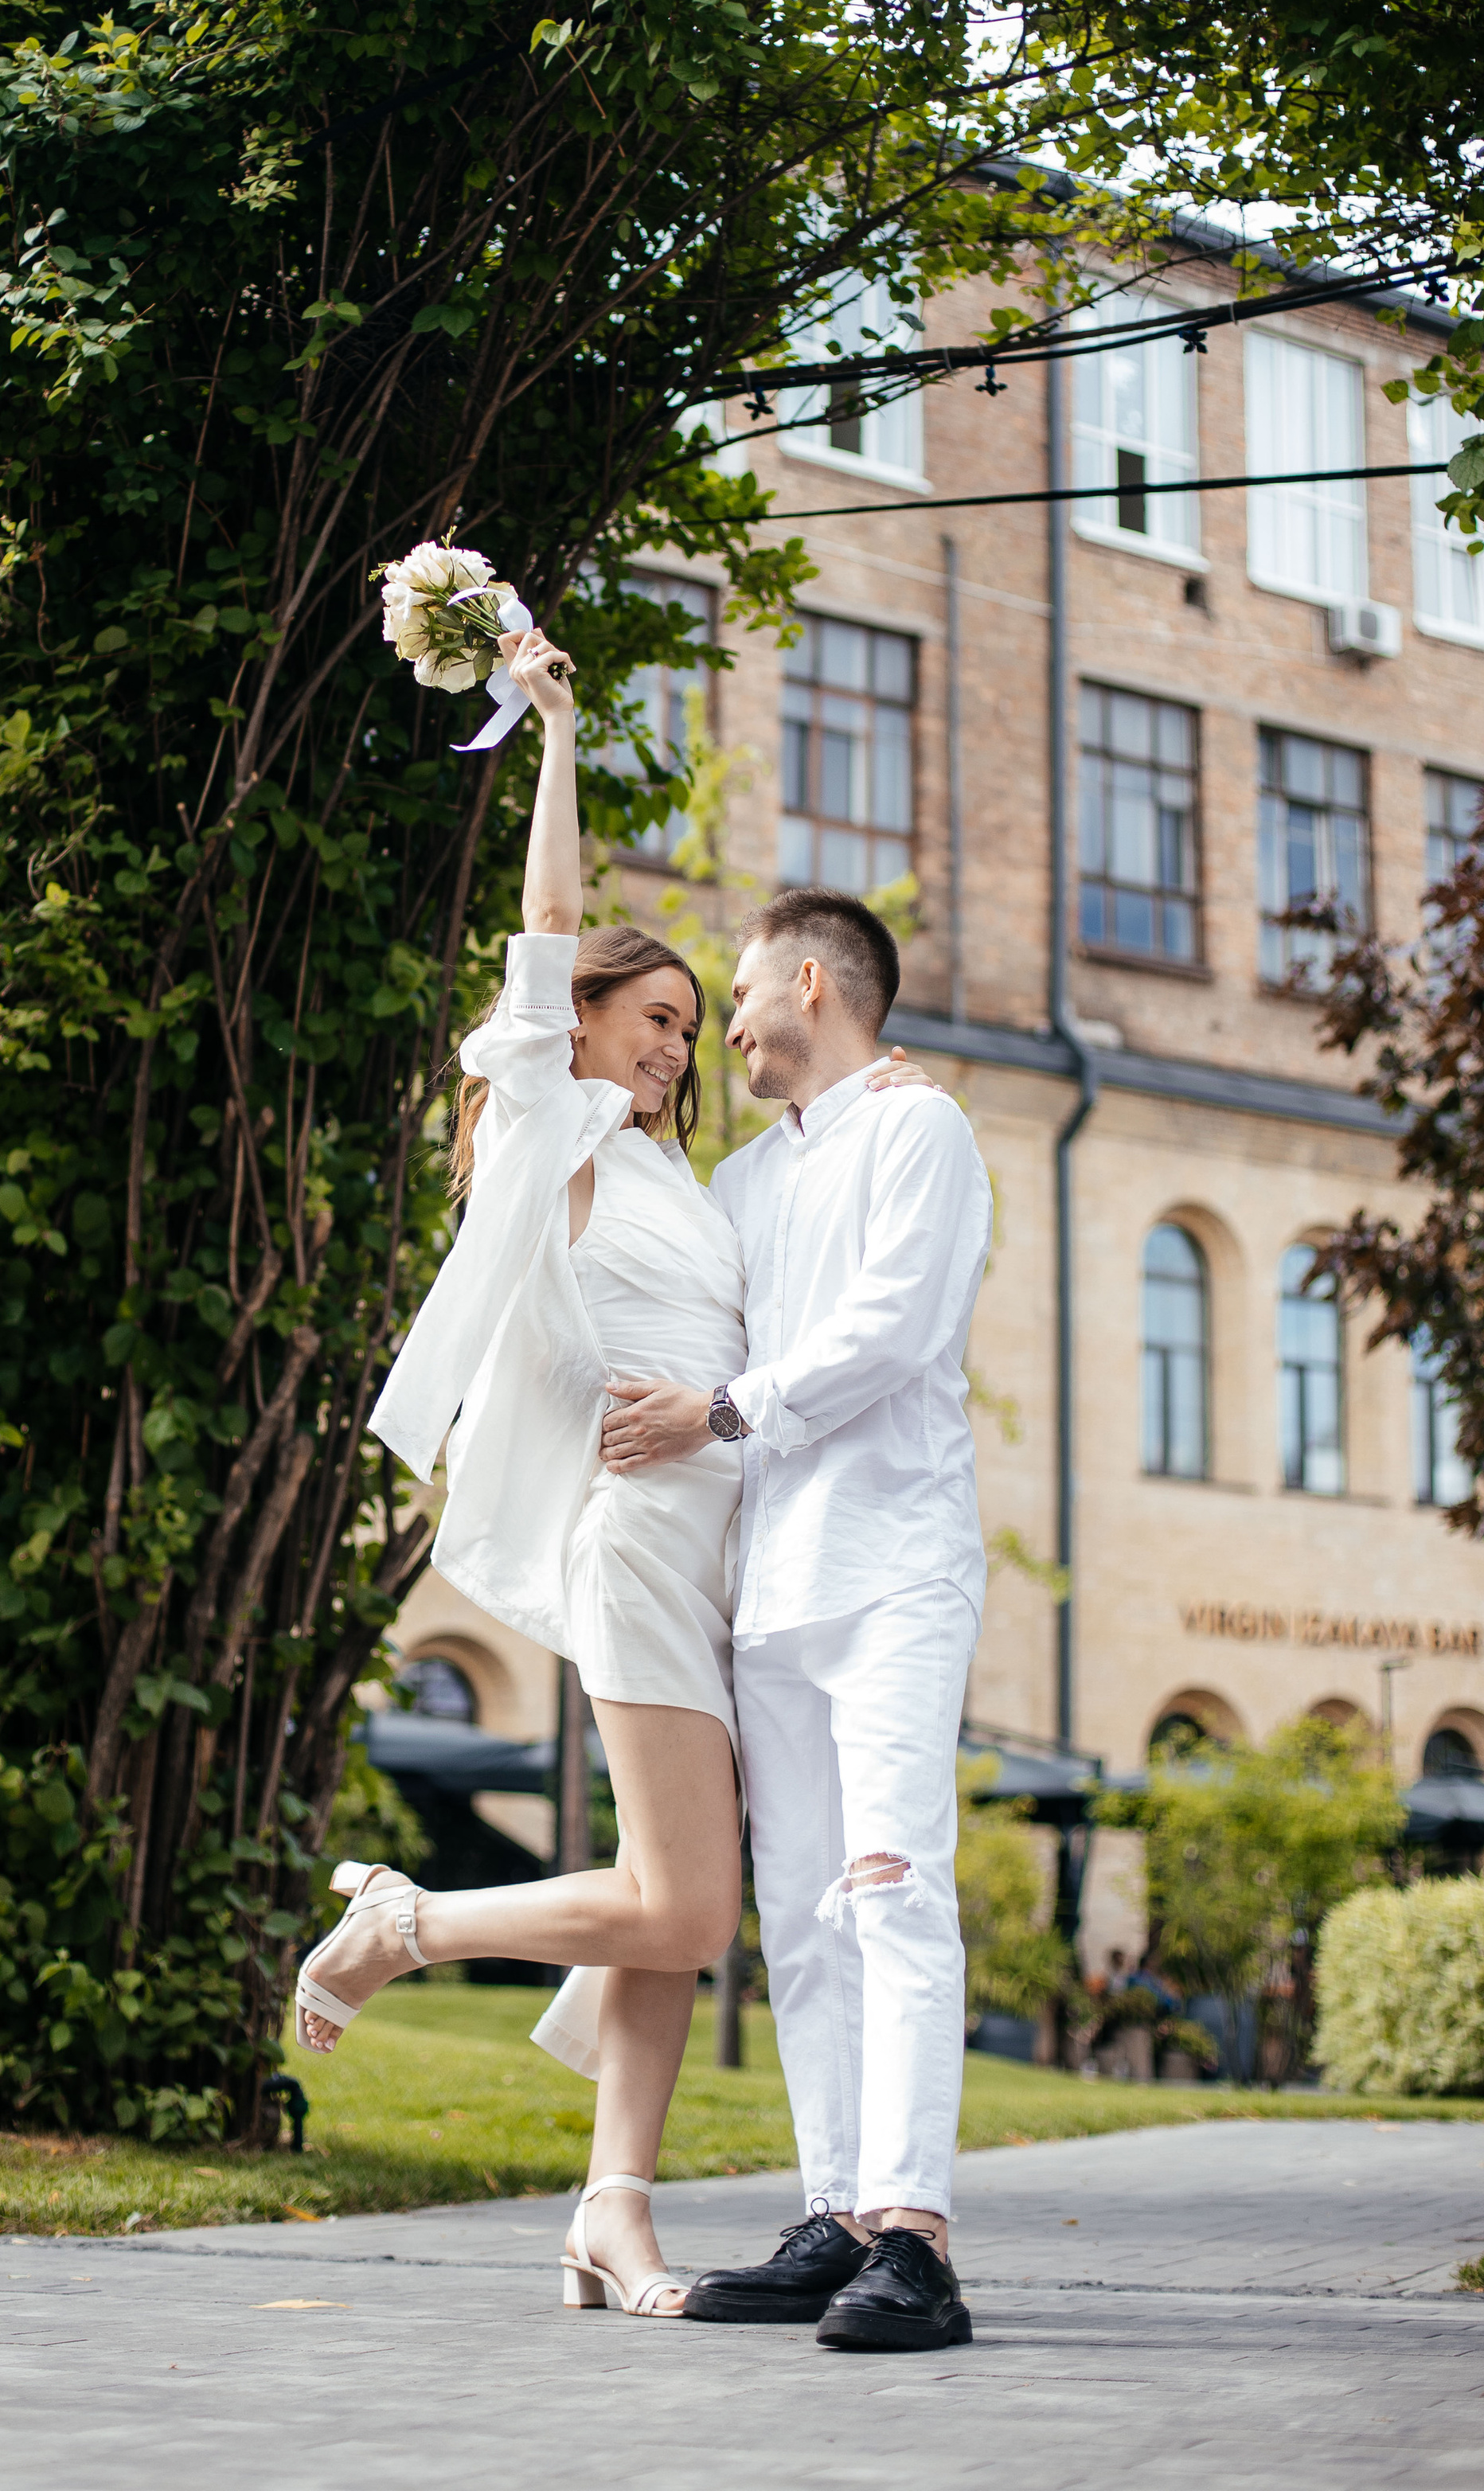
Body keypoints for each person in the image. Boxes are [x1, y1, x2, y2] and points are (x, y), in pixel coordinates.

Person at [295, 627, 925, 2321]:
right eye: (648, 1019)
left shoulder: (682, 1182)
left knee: (674, 1911)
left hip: (731, 1545)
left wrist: (874, 1096)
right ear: (573, 1025)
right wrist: (556, 732)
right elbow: (544, 925)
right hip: (642, 1539)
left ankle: (608, 2212)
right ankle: (404, 1928)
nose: (670, 1051)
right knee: (684, 1903)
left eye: (684, 1030)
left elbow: (785, 1286)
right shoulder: (547, 1132)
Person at [599, 886, 994, 2352]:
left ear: (813, 985)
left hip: (893, 1567)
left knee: (894, 1892)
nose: (728, 1030)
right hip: (773, 1593)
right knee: (802, 1919)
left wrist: (722, 1408)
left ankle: (916, 2237)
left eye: (742, 999)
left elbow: (891, 1328)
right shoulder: (751, 1185)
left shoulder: (920, 1131)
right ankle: (836, 2216)